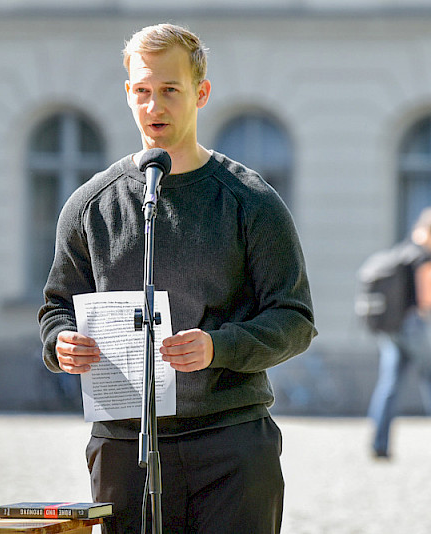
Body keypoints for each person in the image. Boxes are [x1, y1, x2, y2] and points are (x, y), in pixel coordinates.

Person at [38, 23, 317, 533]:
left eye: (170, 90)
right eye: (142, 91)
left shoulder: (250, 200)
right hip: (123, 446)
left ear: (201, 93)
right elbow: (58, 307)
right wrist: (61, 343)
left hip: (230, 444)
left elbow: (295, 318)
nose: (154, 106)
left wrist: (219, 347)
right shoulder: (88, 205)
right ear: (127, 94)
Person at [367, 208, 431, 459]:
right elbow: (425, 300)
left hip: (392, 330)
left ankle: (379, 444)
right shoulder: (422, 257)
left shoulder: (401, 250)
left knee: (389, 385)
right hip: (414, 327)